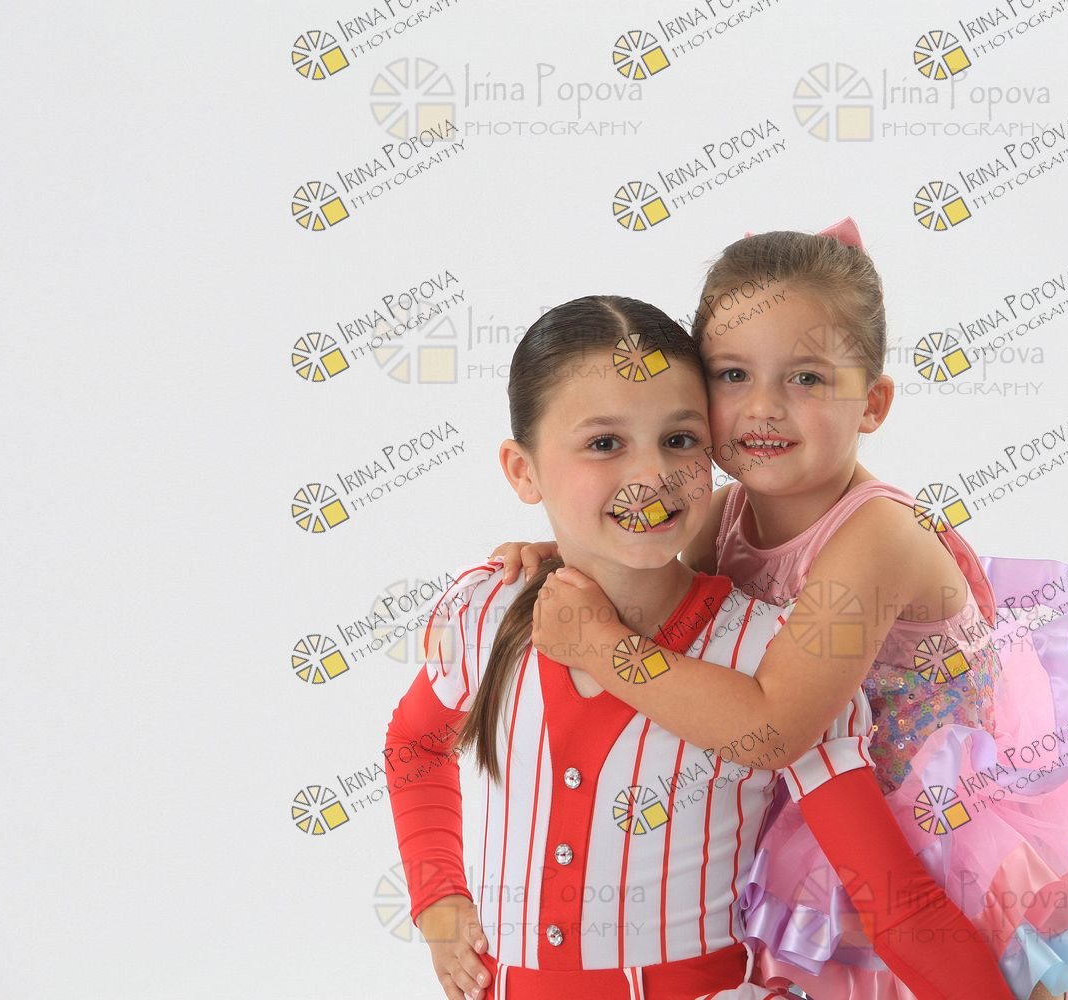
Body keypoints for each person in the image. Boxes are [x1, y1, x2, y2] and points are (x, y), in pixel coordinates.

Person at [492, 221, 1068, 1000]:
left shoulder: (878, 536)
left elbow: (776, 728)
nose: (763, 408)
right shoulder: (723, 516)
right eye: (733, 375)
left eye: (806, 379)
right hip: (830, 815)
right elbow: (643, 563)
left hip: (941, 826)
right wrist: (563, 551)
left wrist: (602, 649)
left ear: (873, 404)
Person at [385, 294, 1017, 1000]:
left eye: (681, 440)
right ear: (521, 470)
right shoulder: (486, 609)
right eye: (604, 444)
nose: (652, 475)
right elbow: (414, 745)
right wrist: (438, 898)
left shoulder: (771, 660)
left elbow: (899, 907)